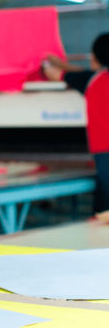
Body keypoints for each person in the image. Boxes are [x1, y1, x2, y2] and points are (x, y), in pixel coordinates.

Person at [43, 33, 109, 212]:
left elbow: (53, 74)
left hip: (105, 155)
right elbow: (82, 72)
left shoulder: (93, 80)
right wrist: (63, 64)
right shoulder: (92, 77)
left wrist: (45, 61)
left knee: (104, 212)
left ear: (94, 57)